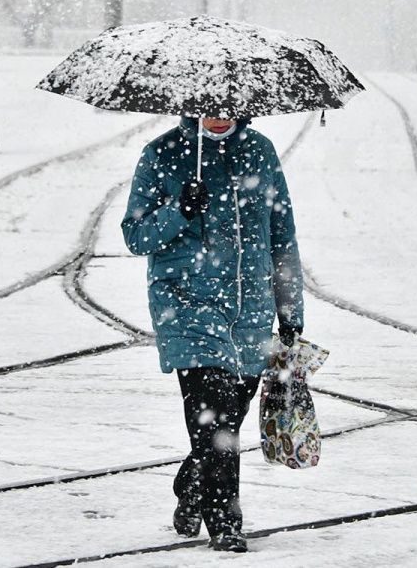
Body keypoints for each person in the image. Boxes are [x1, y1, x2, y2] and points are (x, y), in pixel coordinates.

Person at [121, 115, 305, 553]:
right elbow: (136, 235)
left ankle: (191, 481)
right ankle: (225, 521)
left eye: (228, 104)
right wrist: (178, 211)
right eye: (210, 105)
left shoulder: (259, 150)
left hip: (251, 309)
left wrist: (290, 309)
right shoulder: (163, 153)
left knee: (228, 418)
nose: (219, 111)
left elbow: (282, 236)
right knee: (214, 418)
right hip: (187, 306)